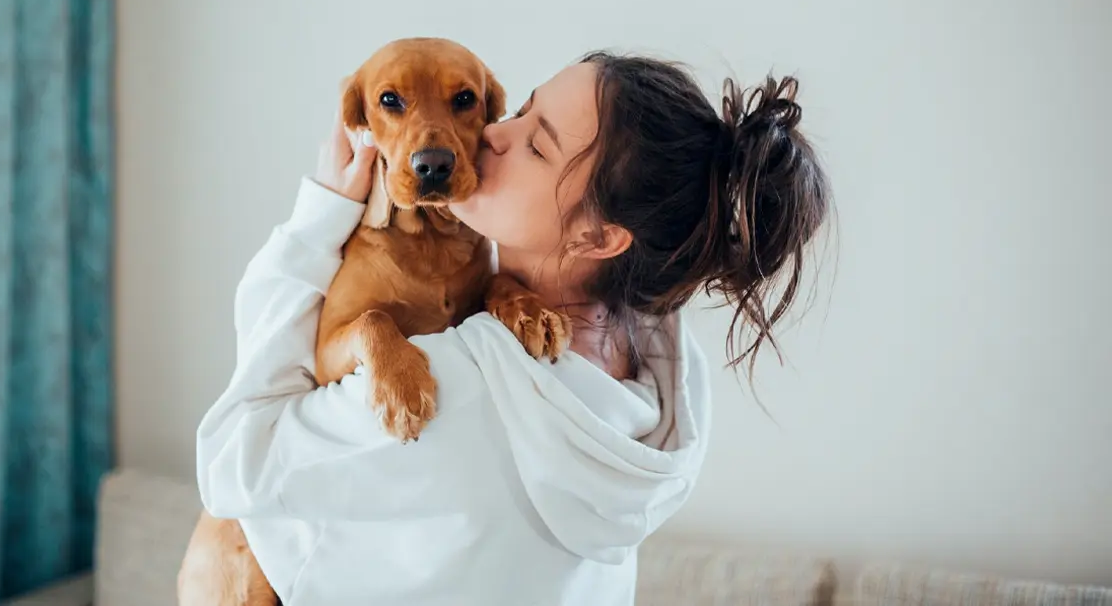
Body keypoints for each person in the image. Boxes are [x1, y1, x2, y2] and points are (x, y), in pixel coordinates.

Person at [195, 51, 832, 605]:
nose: (494, 136)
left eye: (537, 143)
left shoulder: (458, 386)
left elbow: (231, 464)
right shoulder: (665, 373)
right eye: (520, 110)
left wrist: (317, 219)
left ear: (599, 235)